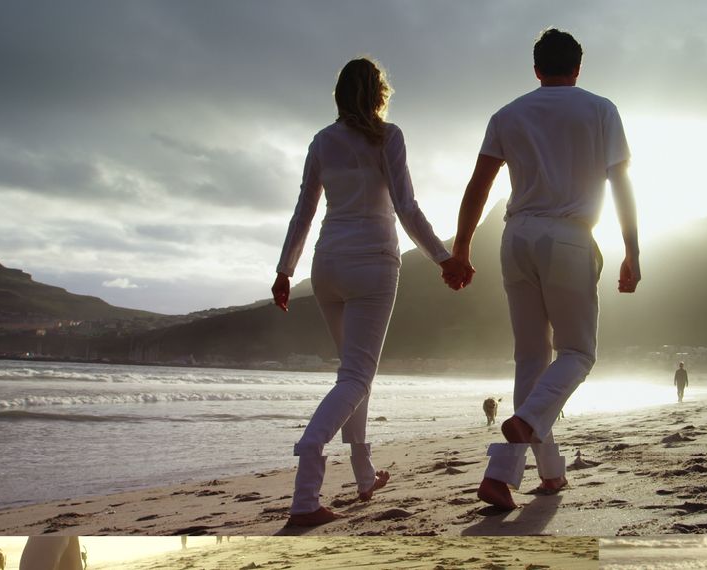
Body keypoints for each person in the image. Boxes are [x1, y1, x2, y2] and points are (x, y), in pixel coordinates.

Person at [272, 57, 470, 527]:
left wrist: (285, 271)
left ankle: (363, 474)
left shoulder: (322, 141)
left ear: (340, 95)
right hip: (374, 263)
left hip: (326, 266)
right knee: (357, 377)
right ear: (378, 94)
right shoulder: (388, 136)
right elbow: (406, 206)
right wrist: (445, 258)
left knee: (352, 375)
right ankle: (306, 481)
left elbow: (304, 211)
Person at [450, 28, 640, 510]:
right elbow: (620, 181)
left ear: (536, 69)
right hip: (569, 235)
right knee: (577, 352)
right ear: (578, 68)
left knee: (532, 359)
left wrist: (462, 248)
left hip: (515, 236)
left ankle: (525, 474)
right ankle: (529, 425)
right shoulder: (601, 109)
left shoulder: (508, 114)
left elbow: (478, 186)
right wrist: (632, 249)